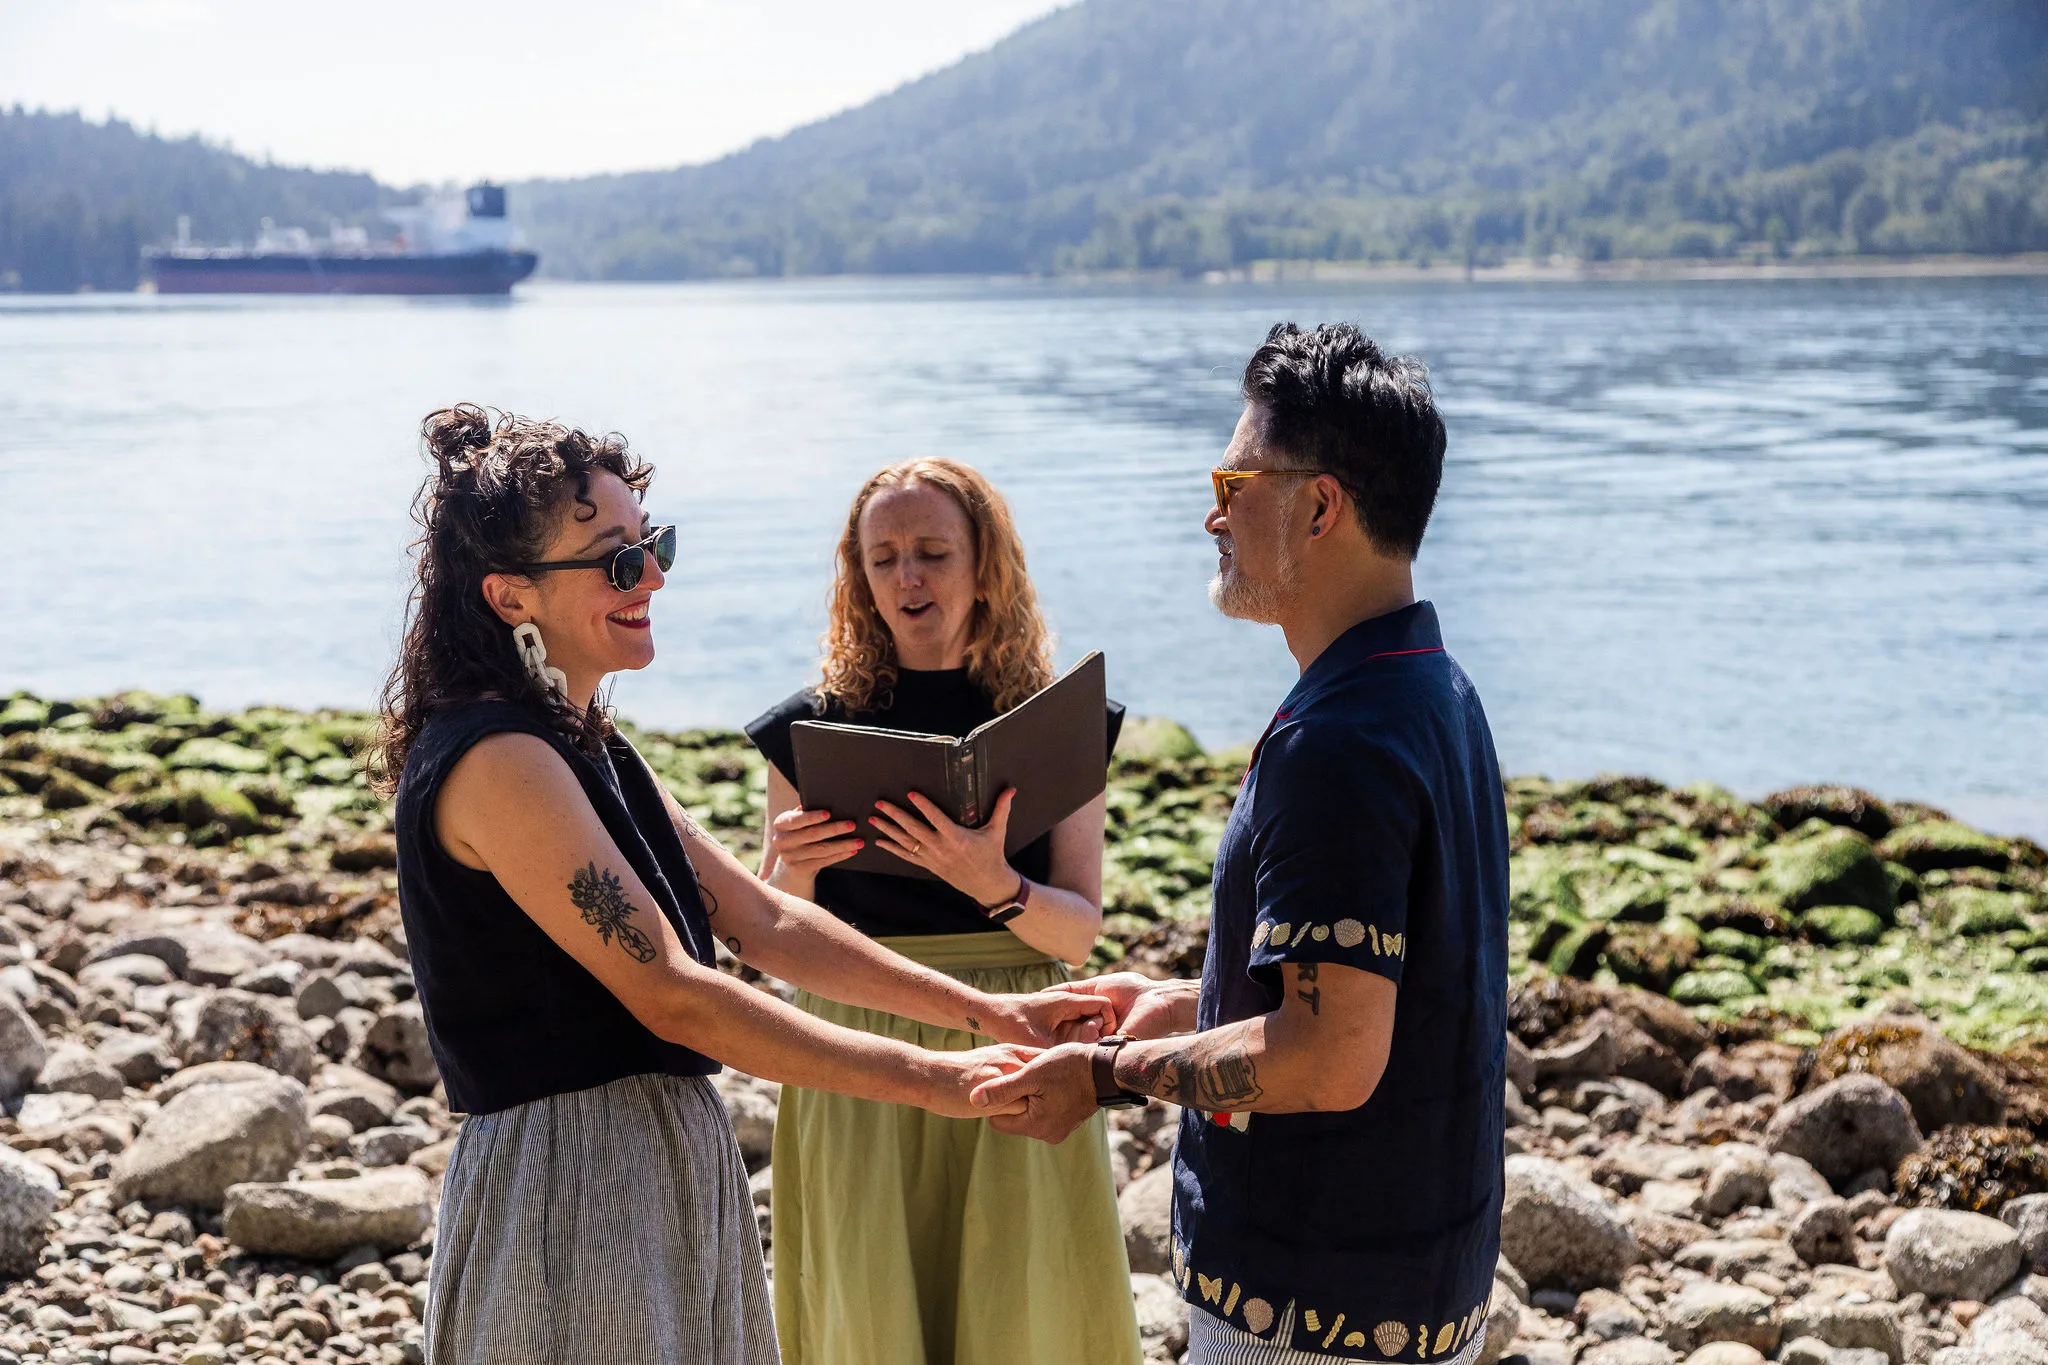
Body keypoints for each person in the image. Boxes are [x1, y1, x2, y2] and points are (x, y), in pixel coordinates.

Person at [373, 408, 1109, 1365]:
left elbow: (764, 917)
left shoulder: (588, 744)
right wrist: (941, 1080)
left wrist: (990, 1017)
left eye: (652, 545)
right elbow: (676, 993)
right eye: (615, 559)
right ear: (513, 595)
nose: (654, 577)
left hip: (661, 1159)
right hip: (566, 1184)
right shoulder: (502, 759)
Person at [974, 324, 1511, 1365]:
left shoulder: (1339, 739)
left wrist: (1105, 1073)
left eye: (1233, 481)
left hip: (1312, 1304)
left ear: (1319, 507)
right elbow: (1380, 1003)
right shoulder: (1430, 686)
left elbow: (1330, 1056)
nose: (1210, 513)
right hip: (1411, 1277)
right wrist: (1193, 1006)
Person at [744, 457, 1141, 1365]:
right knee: (868, 1307)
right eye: (882, 559)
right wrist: (788, 877)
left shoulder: (1059, 719)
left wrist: (991, 881)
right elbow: (777, 939)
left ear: (985, 565)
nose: (907, 578)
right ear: (858, 576)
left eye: (932, 551)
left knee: (1023, 1307)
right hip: (854, 1026)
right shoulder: (807, 727)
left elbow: (1079, 929)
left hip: (1021, 1024)